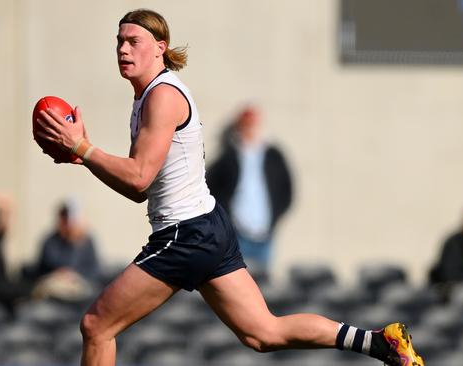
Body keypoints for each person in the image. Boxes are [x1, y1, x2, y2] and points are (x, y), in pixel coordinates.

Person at [33, 9, 423, 366]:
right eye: (118, 41)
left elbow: (138, 177)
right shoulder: (147, 97)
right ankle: (377, 342)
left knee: (96, 326)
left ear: (160, 48)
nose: (123, 48)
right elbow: (138, 189)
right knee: (263, 333)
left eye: (133, 41)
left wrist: (82, 146)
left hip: (185, 234)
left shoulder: (163, 96)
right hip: (207, 226)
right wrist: (83, 156)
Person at [207, 105, 293, 269]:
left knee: (263, 281)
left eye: (253, 126)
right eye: (246, 126)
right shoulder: (229, 156)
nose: (250, 131)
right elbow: (212, 189)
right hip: (237, 231)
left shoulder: (273, 155)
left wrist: (276, 217)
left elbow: (286, 190)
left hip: (265, 231)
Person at [29, 198, 101, 300]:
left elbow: (93, 272)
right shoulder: (50, 241)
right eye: (64, 218)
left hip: (79, 288)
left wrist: (76, 243)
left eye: (69, 219)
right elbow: (45, 268)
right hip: (54, 287)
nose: (66, 223)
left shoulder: (86, 241)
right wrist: (61, 274)